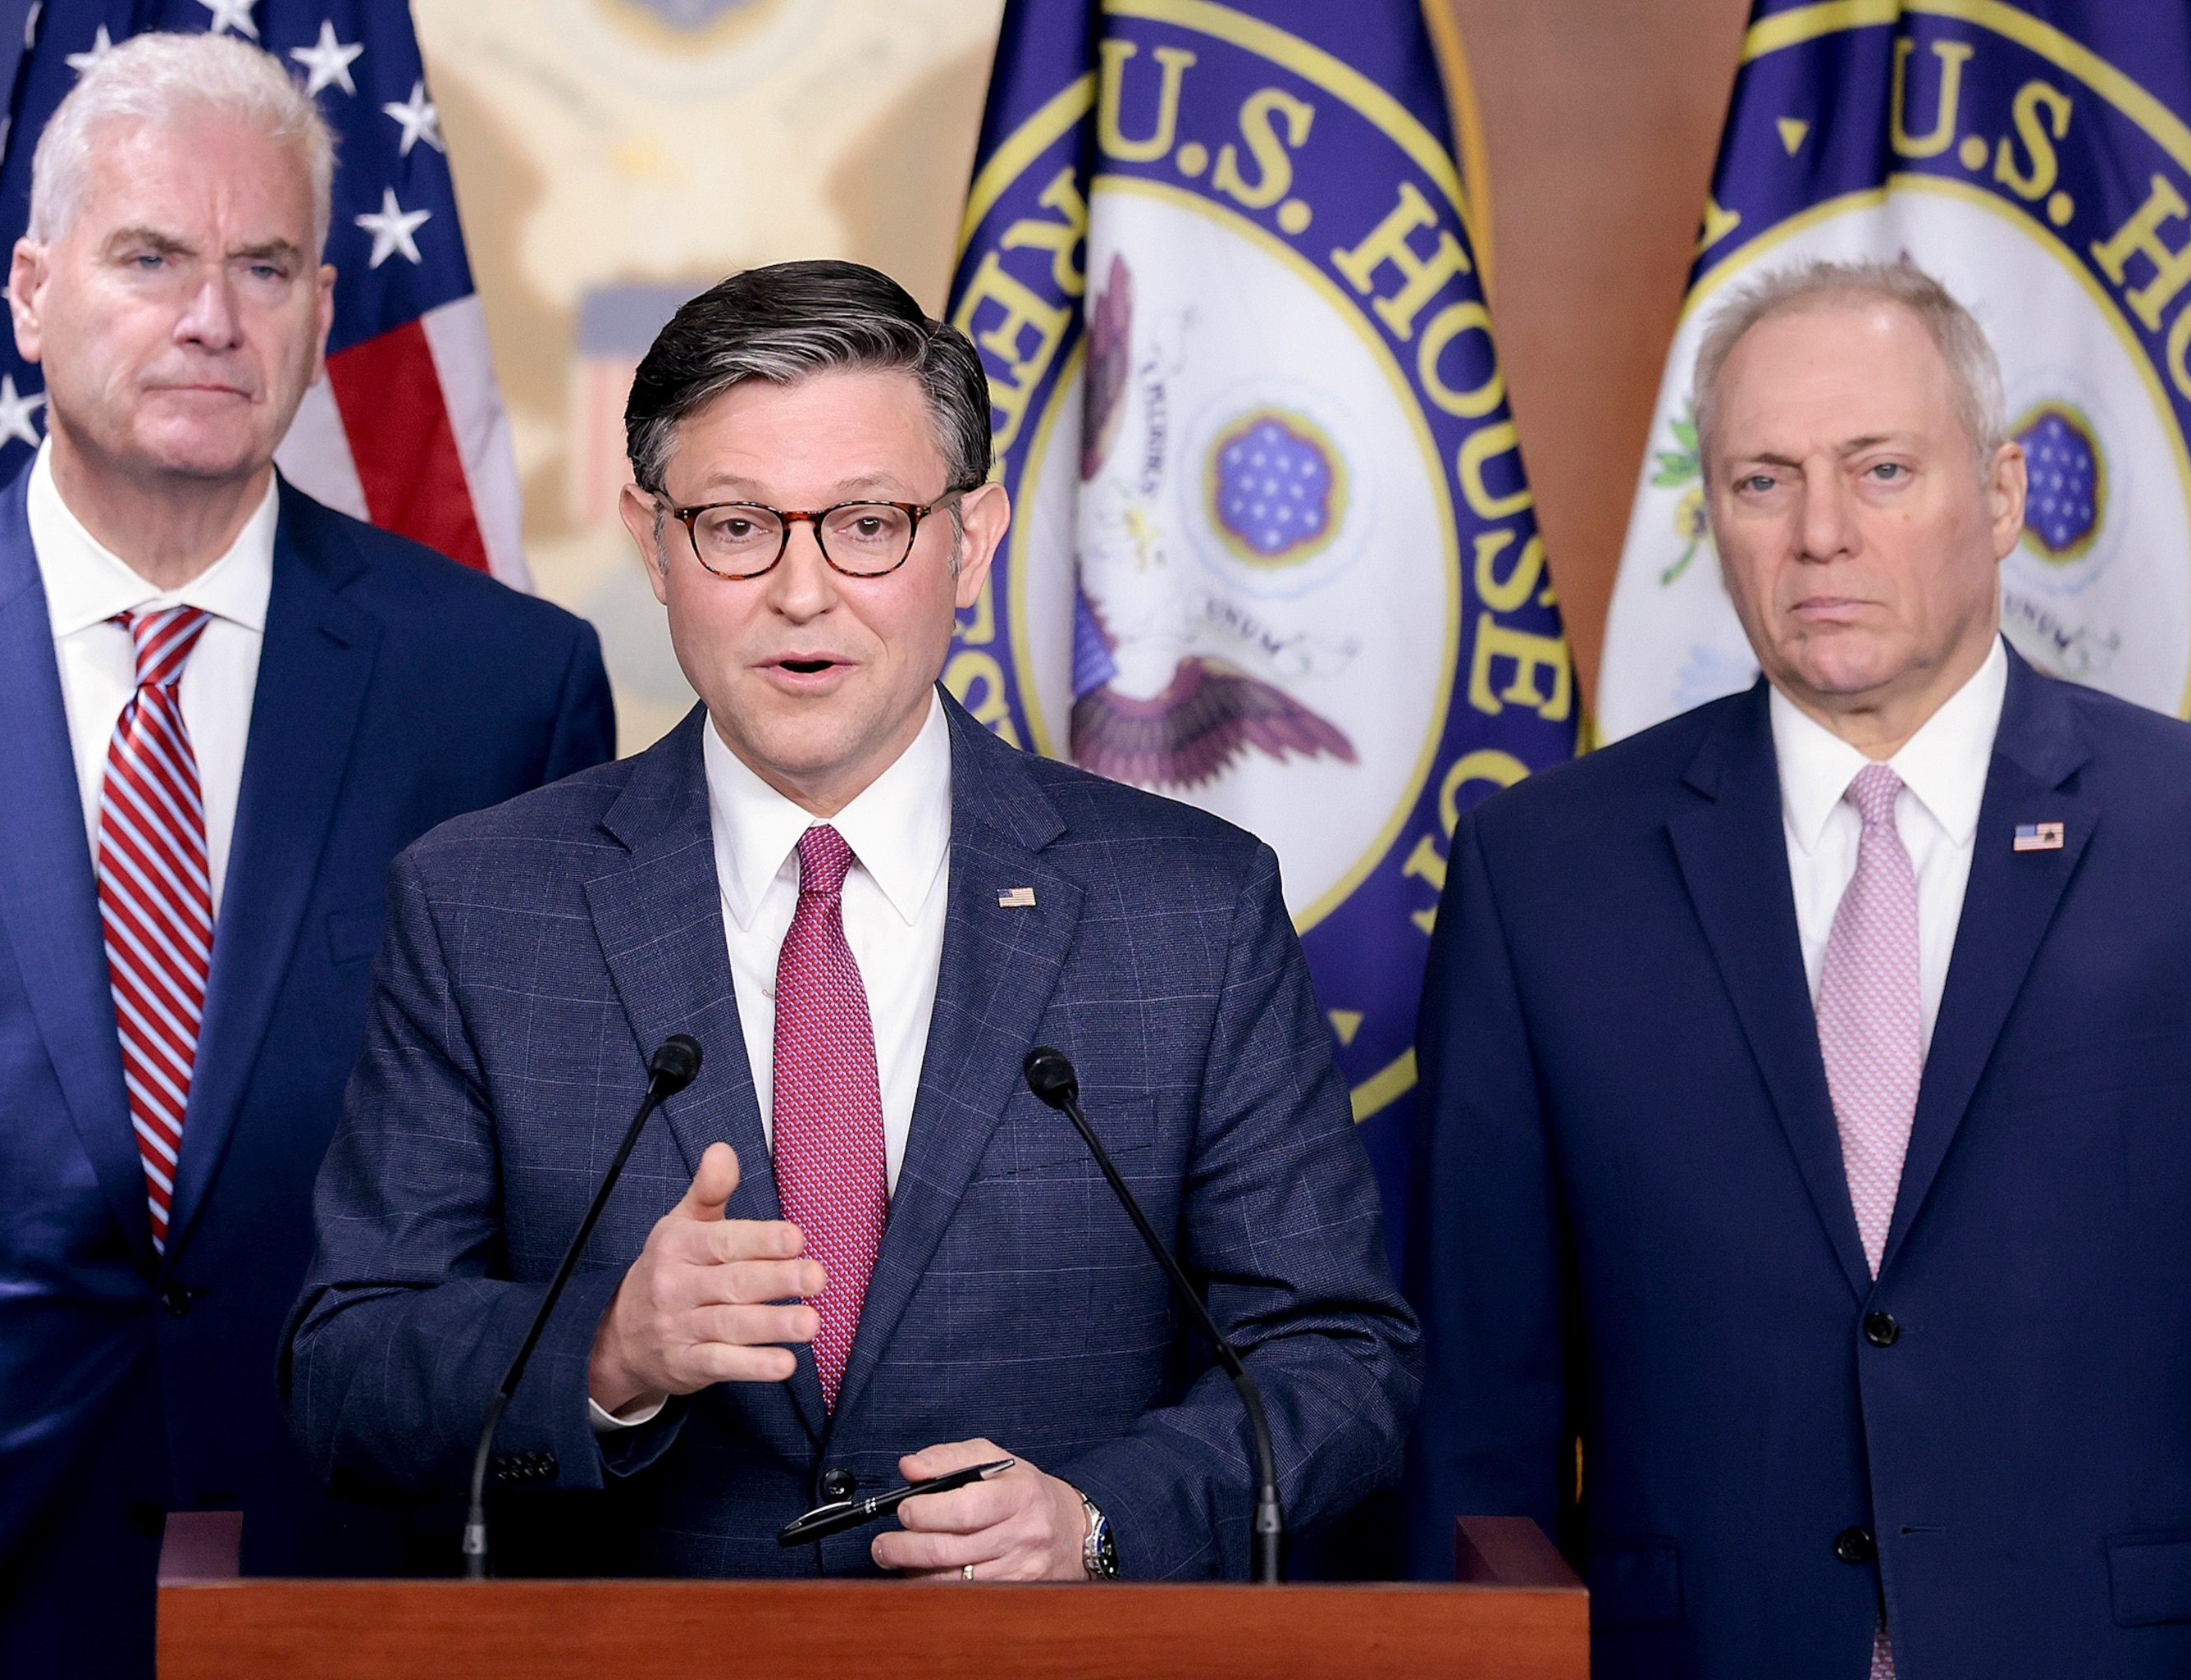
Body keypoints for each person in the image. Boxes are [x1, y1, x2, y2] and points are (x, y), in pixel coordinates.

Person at [284, 258, 1416, 1583]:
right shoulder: (483, 905)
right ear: (654, 545)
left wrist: (1099, 1522)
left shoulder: (1188, 910)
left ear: (970, 543)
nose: (803, 590)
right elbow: (346, 1372)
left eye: (869, 523)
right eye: (737, 525)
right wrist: (603, 1350)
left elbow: (1339, 1363)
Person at [1407, 259, 2191, 1675]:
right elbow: (1476, 1421)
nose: (1820, 535)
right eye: (1761, 481)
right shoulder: (1540, 874)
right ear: (1714, 519)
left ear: (1999, 496)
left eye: (1879, 470)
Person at [0, 33, 612, 1677]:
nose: (213, 318)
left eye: (264, 265)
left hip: (364, 1599)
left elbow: (563, 1222)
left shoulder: (503, 688)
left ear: (320, 309)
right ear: (34, 291)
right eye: (152, 259)